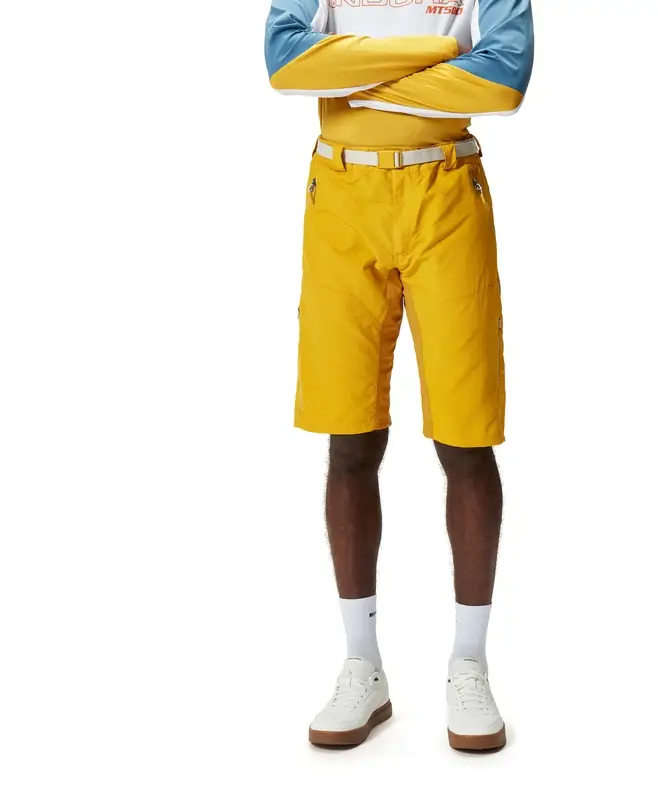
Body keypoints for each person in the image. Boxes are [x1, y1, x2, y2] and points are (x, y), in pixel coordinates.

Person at [264, 0, 533, 751]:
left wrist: (350, 72)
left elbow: (503, 79)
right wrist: (437, 56)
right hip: (341, 197)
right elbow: (286, 64)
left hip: (445, 193)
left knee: (466, 437)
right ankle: (363, 664)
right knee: (349, 435)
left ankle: (469, 664)